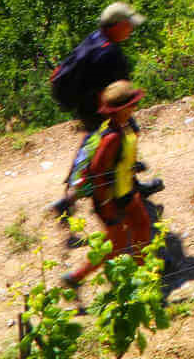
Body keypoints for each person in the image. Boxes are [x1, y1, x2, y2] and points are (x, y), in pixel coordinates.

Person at [48, 2, 143, 216]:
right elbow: (111, 90)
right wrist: (117, 116)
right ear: (116, 25)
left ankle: (70, 196)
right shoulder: (109, 53)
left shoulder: (95, 38)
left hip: (85, 106)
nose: (131, 29)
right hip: (101, 109)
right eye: (128, 25)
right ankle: (76, 197)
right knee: (118, 141)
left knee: (91, 146)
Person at [62, 81, 152, 289]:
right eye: (131, 104)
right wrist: (108, 209)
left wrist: (133, 166)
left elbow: (121, 159)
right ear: (119, 109)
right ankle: (76, 277)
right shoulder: (111, 137)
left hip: (125, 190)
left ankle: (142, 275)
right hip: (109, 198)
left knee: (142, 227)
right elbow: (97, 172)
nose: (135, 107)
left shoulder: (124, 127)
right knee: (115, 243)